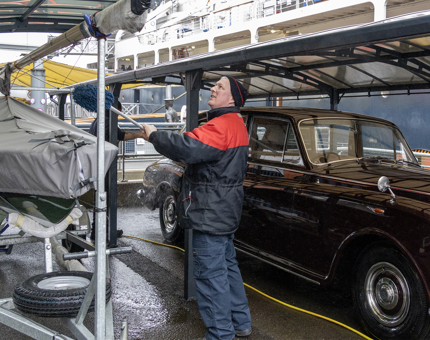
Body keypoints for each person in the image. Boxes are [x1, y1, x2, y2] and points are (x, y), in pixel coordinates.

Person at [141, 76, 252, 340]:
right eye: (215, 85)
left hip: (209, 212)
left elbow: (187, 148)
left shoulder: (221, 126)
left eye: (220, 87)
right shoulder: (237, 124)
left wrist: (155, 135)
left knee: (210, 276)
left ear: (233, 99)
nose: (213, 88)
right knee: (227, 267)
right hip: (225, 210)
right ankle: (240, 322)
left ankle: (220, 334)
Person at [88, 103, 145, 242]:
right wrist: (141, 134)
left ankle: (102, 230)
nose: (119, 115)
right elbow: (120, 135)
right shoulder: (107, 121)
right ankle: (103, 232)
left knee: (101, 198)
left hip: (99, 164)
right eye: (119, 112)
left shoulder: (98, 120)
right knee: (105, 199)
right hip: (105, 166)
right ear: (116, 110)